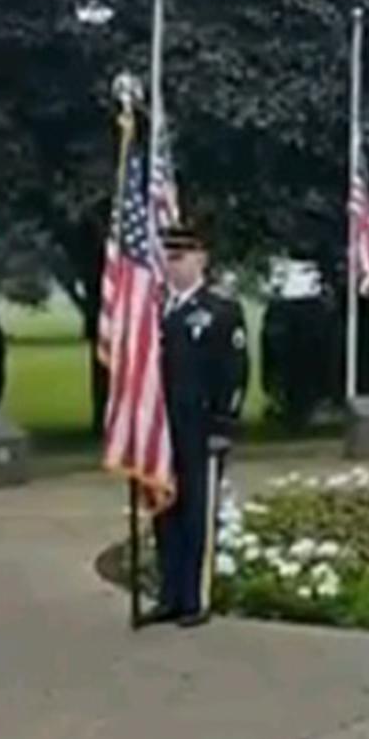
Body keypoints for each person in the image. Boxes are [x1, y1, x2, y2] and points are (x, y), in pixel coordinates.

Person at [148, 226, 248, 629]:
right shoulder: (157, 312)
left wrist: (224, 425)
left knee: (196, 513)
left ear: (201, 259)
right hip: (161, 429)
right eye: (169, 258)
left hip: (201, 429)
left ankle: (194, 597)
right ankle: (169, 594)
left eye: (181, 257)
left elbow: (235, 374)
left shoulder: (221, 311)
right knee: (164, 509)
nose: (174, 265)